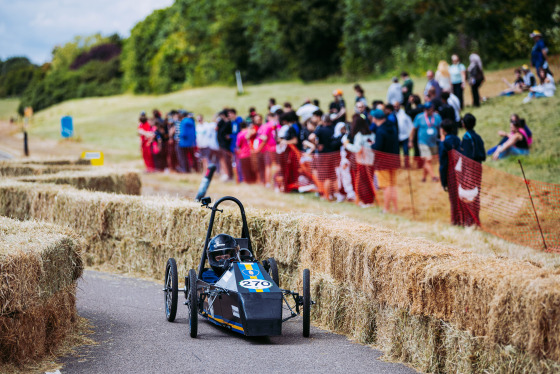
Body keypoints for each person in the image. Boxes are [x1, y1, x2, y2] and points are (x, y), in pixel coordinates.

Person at [457, 113, 486, 226]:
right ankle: (476, 219)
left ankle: (470, 220)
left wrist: (463, 172)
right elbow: (483, 155)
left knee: (468, 193)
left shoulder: (466, 137)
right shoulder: (478, 137)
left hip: (469, 168)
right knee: (476, 192)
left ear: (464, 124)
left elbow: (465, 156)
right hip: (478, 167)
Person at [343, 114, 376, 207]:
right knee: (369, 181)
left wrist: (347, 145)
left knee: (363, 182)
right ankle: (370, 200)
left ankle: (367, 201)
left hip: (362, 162)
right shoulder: (371, 134)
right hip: (371, 161)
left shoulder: (359, 135)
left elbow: (357, 149)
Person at [371, 109, 399, 213]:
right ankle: (395, 208)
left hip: (383, 163)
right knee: (392, 185)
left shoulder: (380, 131)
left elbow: (377, 147)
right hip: (394, 160)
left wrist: (372, 145)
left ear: (375, 118)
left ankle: (386, 208)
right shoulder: (392, 126)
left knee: (386, 186)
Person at [409, 102, 441, 182]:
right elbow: (413, 129)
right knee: (428, 159)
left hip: (433, 142)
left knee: (428, 161)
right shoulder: (419, 117)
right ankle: (433, 177)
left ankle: (423, 178)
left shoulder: (437, 117)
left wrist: (442, 138)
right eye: (425, 109)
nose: (427, 110)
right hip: (422, 142)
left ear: (432, 109)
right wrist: (410, 141)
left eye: (428, 109)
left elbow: (440, 128)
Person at [438, 120, 461, 226]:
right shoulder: (458, 140)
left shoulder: (443, 144)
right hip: (461, 171)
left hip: (450, 173)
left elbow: (443, 164)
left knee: (453, 198)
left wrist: (443, 182)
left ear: (442, 130)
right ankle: (463, 218)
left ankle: (455, 221)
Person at [394, 101, 413, 168]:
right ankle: (398, 165)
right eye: (394, 106)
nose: (396, 107)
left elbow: (410, 126)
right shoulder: (393, 114)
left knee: (406, 152)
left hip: (405, 136)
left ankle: (407, 165)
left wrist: (410, 139)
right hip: (397, 137)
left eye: (397, 106)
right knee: (397, 152)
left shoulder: (404, 114)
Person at [216, 110, 233, 181]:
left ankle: (229, 175)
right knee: (223, 160)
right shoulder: (221, 122)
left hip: (226, 145)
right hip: (220, 144)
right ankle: (225, 173)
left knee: (227, 160)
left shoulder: (229, 123)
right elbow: (216, 128)